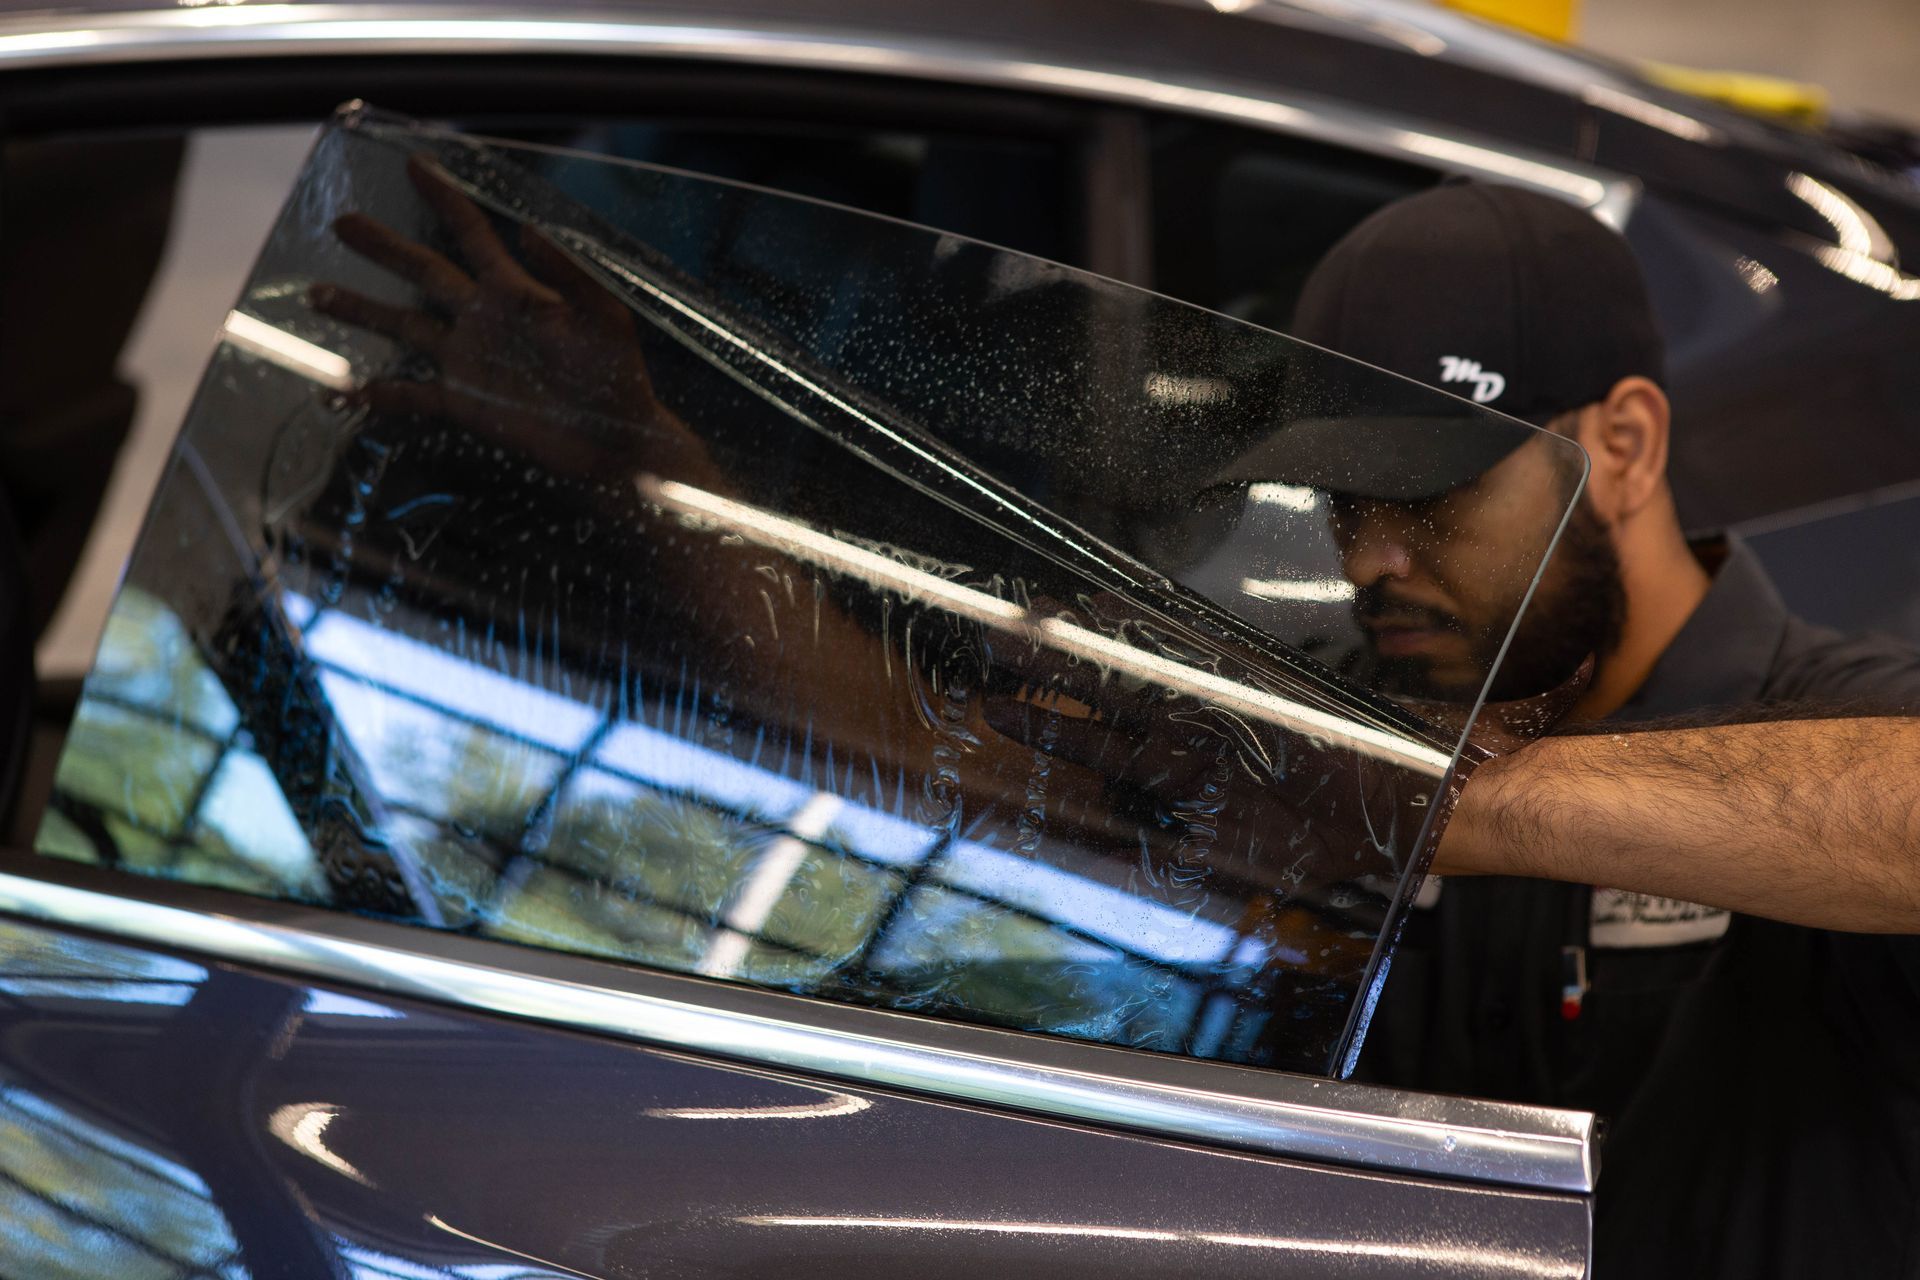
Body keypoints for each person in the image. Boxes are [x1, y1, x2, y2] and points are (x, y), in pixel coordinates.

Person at [1288, 181, 1920, 1277]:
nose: (1367, 559)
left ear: (1622, 445)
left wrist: (1464, 802)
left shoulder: (1845, 713)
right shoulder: (1346, 721)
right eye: (1341, 500)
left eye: (1427, 492)